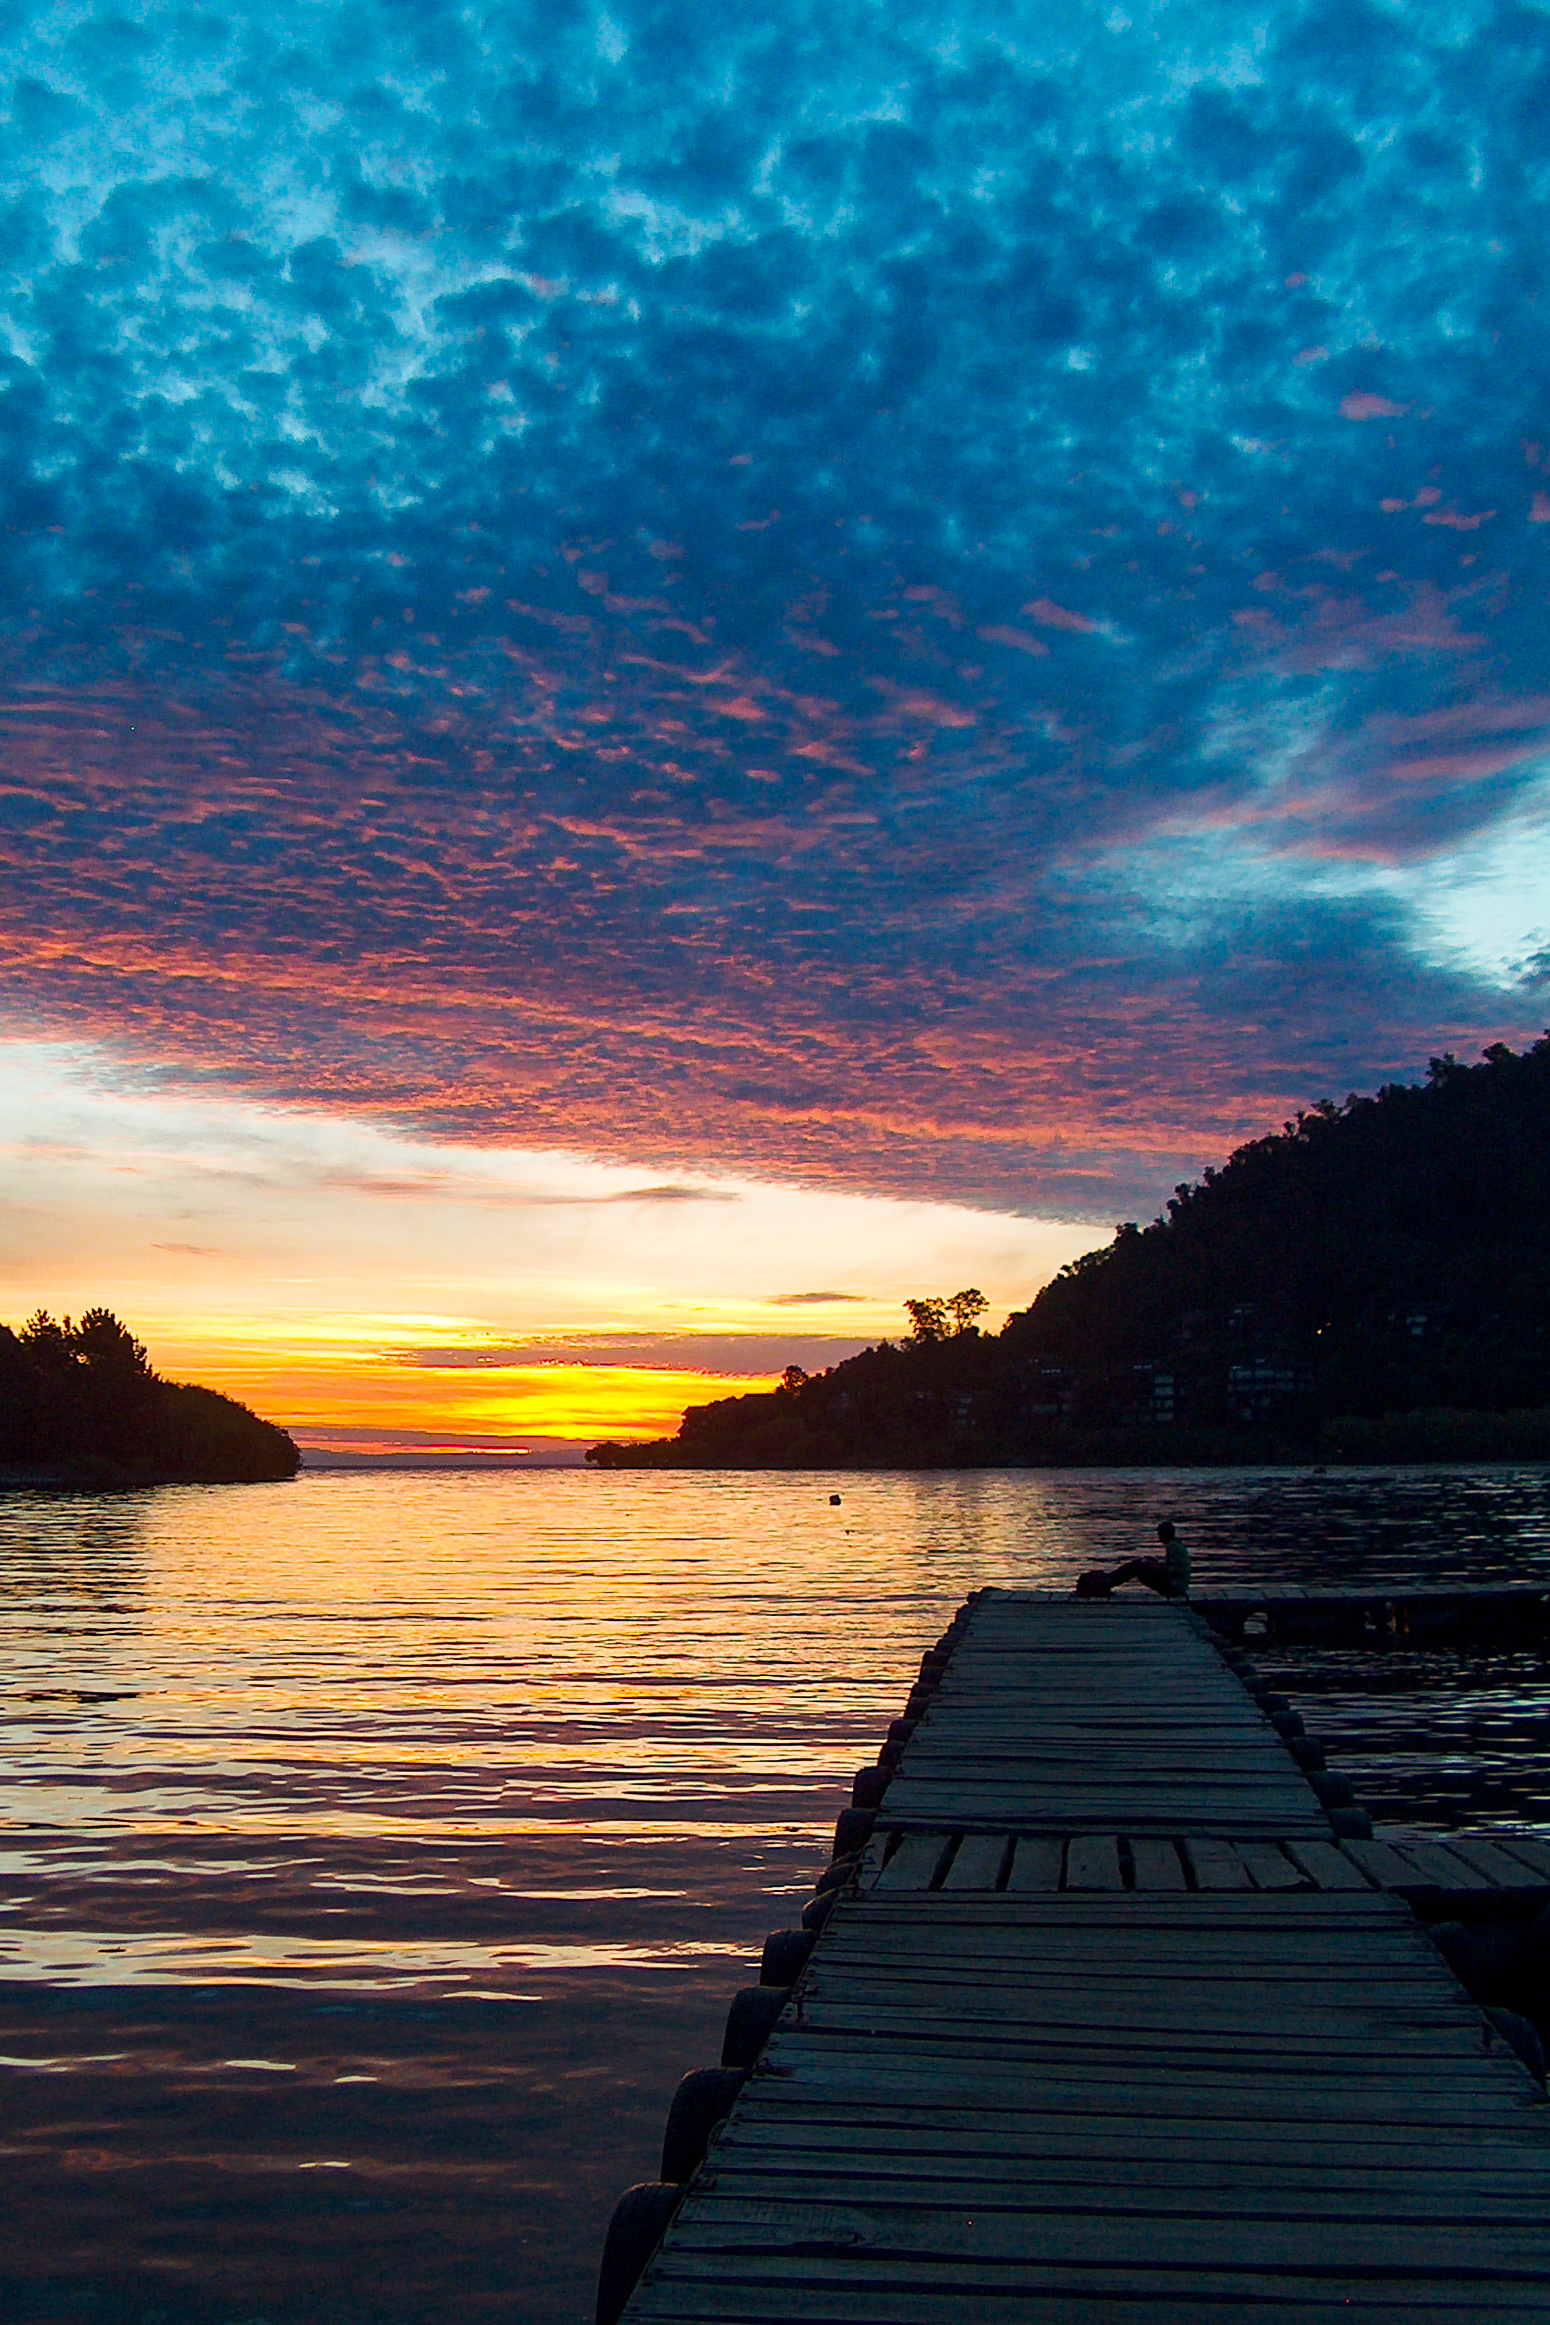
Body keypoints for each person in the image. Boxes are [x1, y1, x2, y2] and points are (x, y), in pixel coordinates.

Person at [1075, 1520, 1191, 1600]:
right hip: (1176, 1585)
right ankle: (1107, 1581)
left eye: (1160, 1534)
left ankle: (1105, 1583)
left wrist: (1156, 1567)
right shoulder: (1177, 1545)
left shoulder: (1173, 1547)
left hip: (1174, 1588)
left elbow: (1176, 1570)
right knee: (1138, 1564)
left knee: (1137, 1567)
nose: (1158, 1536)